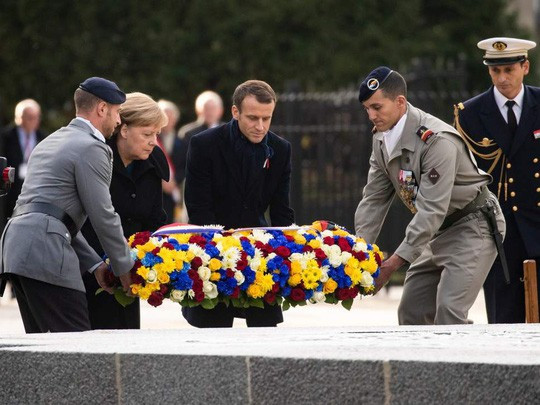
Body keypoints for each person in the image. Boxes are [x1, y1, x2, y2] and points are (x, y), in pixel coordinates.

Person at [354, 66, 506, 325]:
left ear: (400, 101)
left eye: (377, 107)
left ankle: (464, 366)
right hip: (436, 231)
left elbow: (432, 209)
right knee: (411, 313)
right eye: (367, 108)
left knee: (449, 313)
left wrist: (392, 264)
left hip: (472, 227)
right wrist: (360, 252)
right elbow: (373, 200)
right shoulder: (382, 138)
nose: (371, 116)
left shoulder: (436, 141)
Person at [0, 77, 135, 333]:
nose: (118, 122)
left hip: (17, 248)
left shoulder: (49, 141)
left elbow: (54, 216)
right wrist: (124, 266)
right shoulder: (93, 148)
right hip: (45, 251)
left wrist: (95, 265)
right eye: (117, 113)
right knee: (76, 350)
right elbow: (103, 215)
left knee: (45, 352)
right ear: (102, 108)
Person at [182, 80, 295, 328]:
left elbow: (281, 212)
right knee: (212, 336)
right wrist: (217, 255)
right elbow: (198, 208)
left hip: (260, 256)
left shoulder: (280, 149)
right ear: (235, 112)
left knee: (265, 336)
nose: (261, 126)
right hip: (212, 253)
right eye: (253, 118)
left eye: (267, 118)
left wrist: (289, 257)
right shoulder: (204, 144)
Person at [454, 37, 540, 323]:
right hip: (497, 231)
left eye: (509, 70)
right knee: (504, 318)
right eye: (495, 71)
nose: (502, 78)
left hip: (538, 221)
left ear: (525, 67)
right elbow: (465, 174)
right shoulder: (471, 113)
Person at [81, 92, 169, 329]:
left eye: (157, 134)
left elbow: (154, 218)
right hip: (89, 269)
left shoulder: (152, 161)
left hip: (129, 274)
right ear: (124, 129)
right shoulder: (97, 156)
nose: (153, 141)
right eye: (147, 134)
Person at [0, 99, 46, 228]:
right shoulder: (6, 137)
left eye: (36, 117)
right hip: (11, 192)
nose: (33, 121)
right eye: (29, 117)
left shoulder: (43, 137)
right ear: (19, 117)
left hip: (34, 190)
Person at [157, 99, 184, 222]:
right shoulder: (153, 140)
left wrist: (174, 181)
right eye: (164, 115)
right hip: (157, 191)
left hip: (174, 191)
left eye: (170, 116)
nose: (167, 119)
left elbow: (185, 166)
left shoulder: (182, 141)